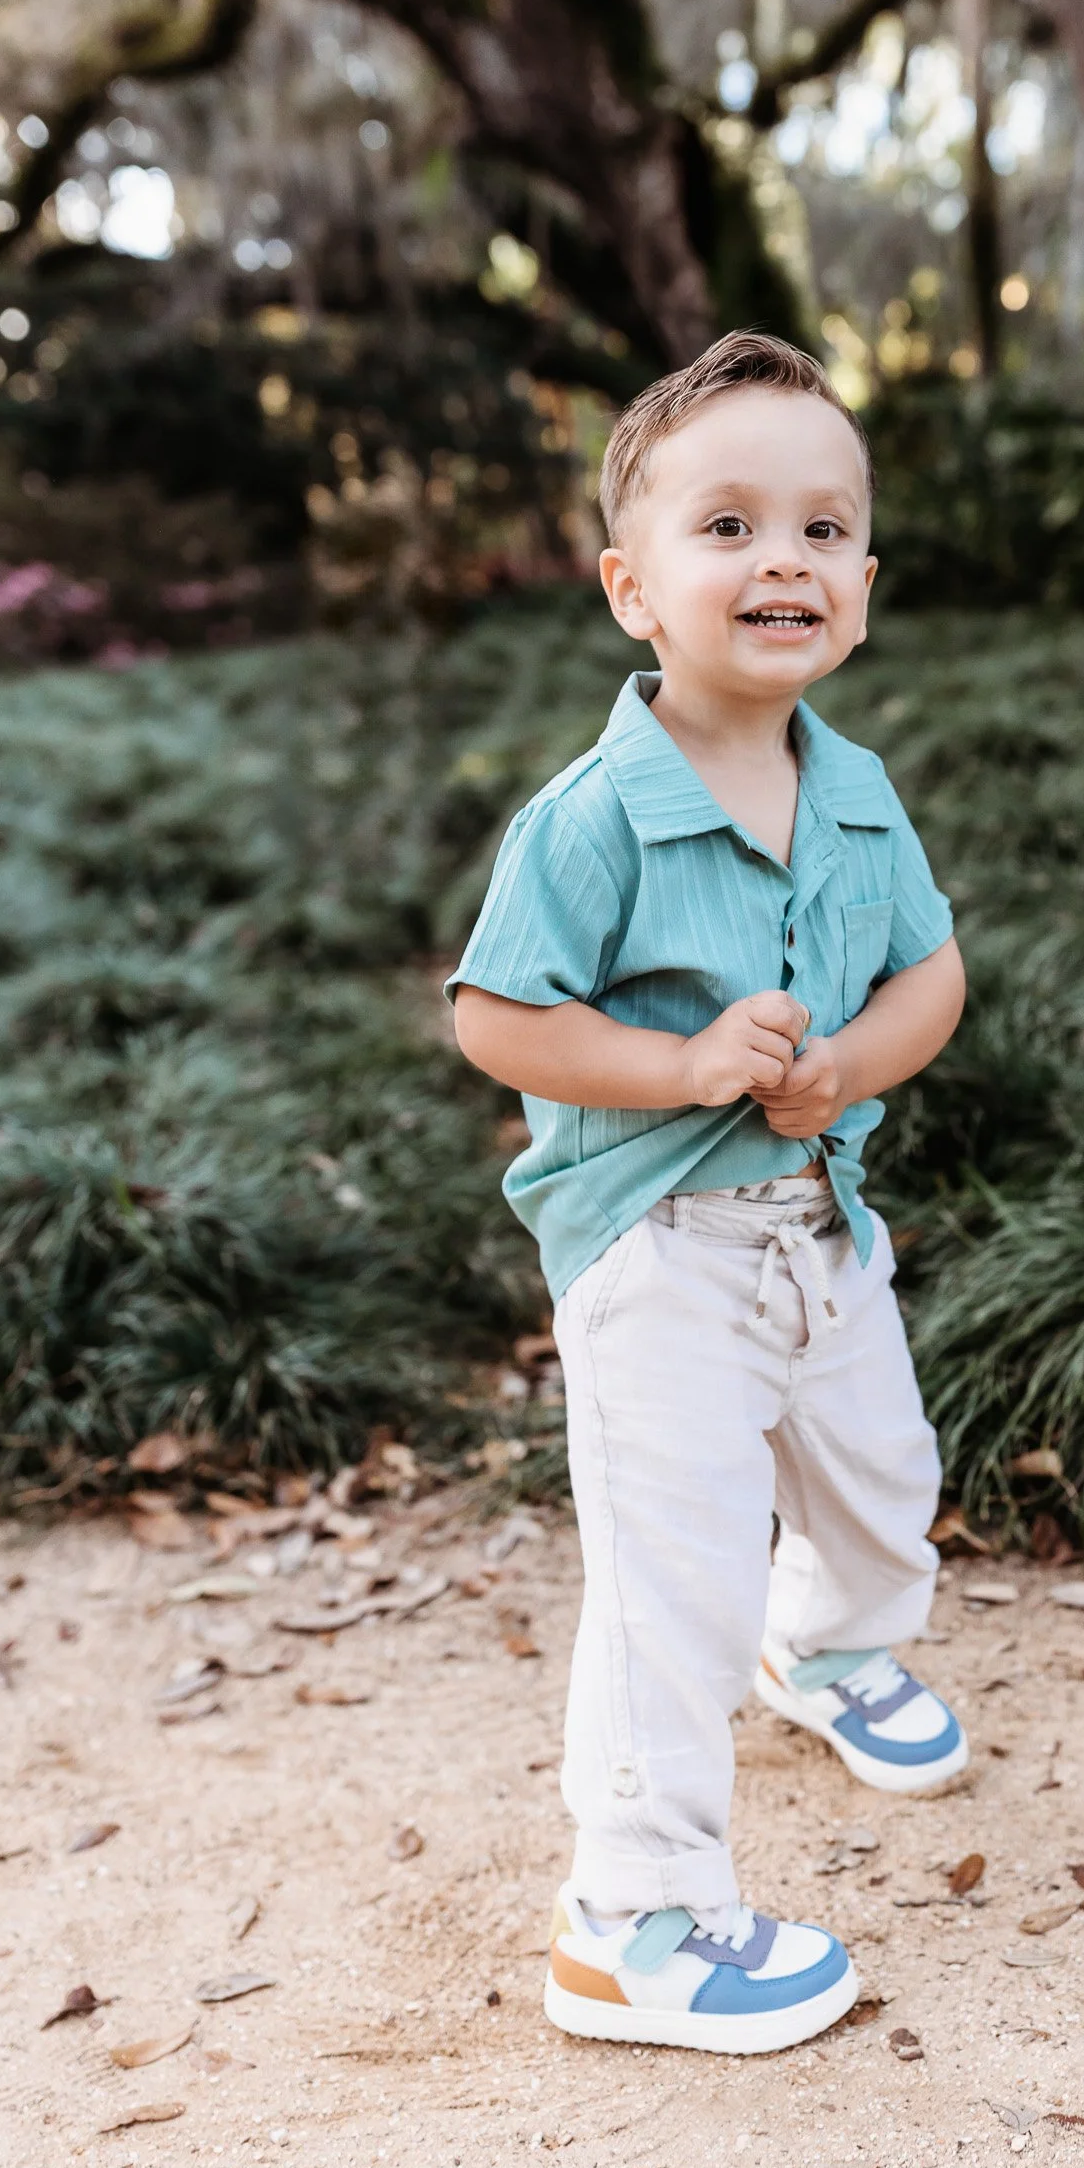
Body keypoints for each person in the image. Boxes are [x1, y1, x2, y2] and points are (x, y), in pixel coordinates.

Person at [448, 328, 968, 2057]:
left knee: (885, 1481)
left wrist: (856, 1065)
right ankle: (631, 1915)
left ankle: (825, 1653)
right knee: (673, 1582)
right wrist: (680, 1067)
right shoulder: (592, 817)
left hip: (821, 1228)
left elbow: (931, 980)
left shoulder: (862, 794)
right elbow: (495, 1015)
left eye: (822, 531)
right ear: (631, 589)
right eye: (729, 525)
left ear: (864, 582)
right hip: (655, 1255)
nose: (782, 561)